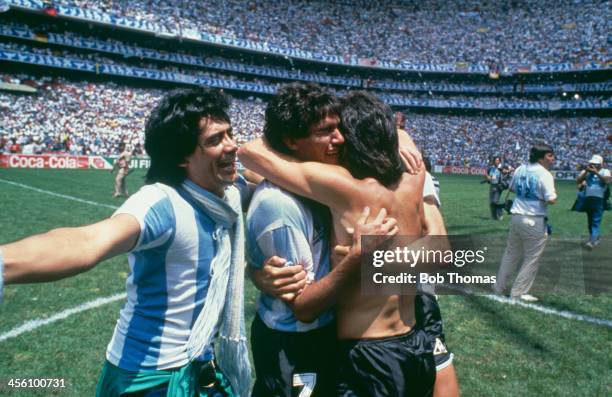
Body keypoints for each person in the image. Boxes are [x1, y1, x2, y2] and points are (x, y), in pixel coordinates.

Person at [0, 88, 252, 397]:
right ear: (183, 157)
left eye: (230, 133)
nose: (232, 145)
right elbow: (87, 242)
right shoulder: (161, 202)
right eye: (215, 140)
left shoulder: (227, 196)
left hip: (201, 362)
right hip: (149, 377)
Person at [240, 87, 456, 396]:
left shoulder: (345, 188)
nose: (337, 139)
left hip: (368, 352)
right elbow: (442, 254)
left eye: (340, 129)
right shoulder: (413, 177)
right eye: (329, 131)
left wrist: (361, 260)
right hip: (413, 341)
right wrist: (402, 135)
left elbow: (249, 153)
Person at [494, 144, 557, 302]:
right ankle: (518, 292)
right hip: (534, 218)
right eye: (550, 155)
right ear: (541, 157)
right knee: (532, 257)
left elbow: (513, 188)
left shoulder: (520, 169)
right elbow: (551, 199)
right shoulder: (545, 174)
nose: (553, 158)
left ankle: (498, 287)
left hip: (516, 216)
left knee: (510, 254)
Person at [576, 154, 610, 249]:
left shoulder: (605, 171)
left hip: (599, 199)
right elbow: (578, 181)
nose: (593, 165)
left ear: (601, 164)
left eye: (596, 164)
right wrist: (585, 172)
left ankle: (592, 241)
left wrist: (596, 173)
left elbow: (607, 182)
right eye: (592, 163)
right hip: (588, 199)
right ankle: (595, 237)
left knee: (596, 220)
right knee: (590, 220)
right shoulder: (586, 172)